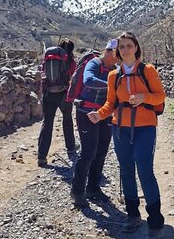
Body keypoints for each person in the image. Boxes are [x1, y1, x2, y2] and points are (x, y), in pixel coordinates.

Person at [88, 32, 166, 239]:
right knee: (126, 171)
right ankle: (133, 215)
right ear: (117, 51)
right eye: (121, 47)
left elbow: (160, 96)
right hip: (120, 129)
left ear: (136, 48)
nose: (125, 50)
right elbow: (110, 103)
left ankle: (155, 223)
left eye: (128, 45)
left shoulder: (147, 70)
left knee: (145, 171)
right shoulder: (114, 75)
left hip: (145, 128)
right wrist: (99, 115)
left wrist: (144, 98)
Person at [70, 39, 119, 208]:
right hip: (87, 113)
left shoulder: (115, 69)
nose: (117, 58)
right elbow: (88, 80)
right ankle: (77, 191)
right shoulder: (94, 63)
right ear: (108, 51)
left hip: (105, 114)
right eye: (115, 54)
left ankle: (93, 188)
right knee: (88, 152)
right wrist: (112, 86)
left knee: (102, 151)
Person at [37, 38, 76, 167]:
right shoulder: (70, 61)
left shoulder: (48, 58)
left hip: (48, 94)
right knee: (67, 119)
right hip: (64, 94)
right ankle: (70, 148)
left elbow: (43, 74)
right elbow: (73, 76)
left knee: (47, 123)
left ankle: (42, 157)